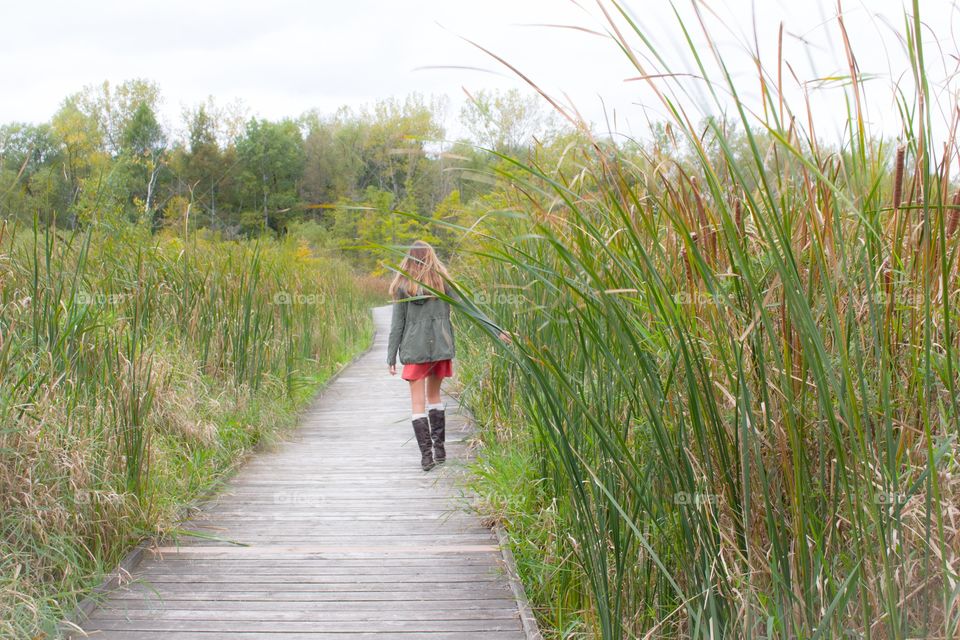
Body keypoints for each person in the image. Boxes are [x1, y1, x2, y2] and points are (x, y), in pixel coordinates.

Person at [387, 240, 510, 471]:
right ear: (432, 257)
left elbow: (397, 325)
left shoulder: (403, 285)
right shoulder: (442, 283)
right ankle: (440, 449)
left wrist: (391, 356)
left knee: (417, 404)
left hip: (415, 350)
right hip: (440, 347)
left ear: (409, 259)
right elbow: (469, 308)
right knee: (435, 397)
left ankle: (426, 456)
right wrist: (497, 330)